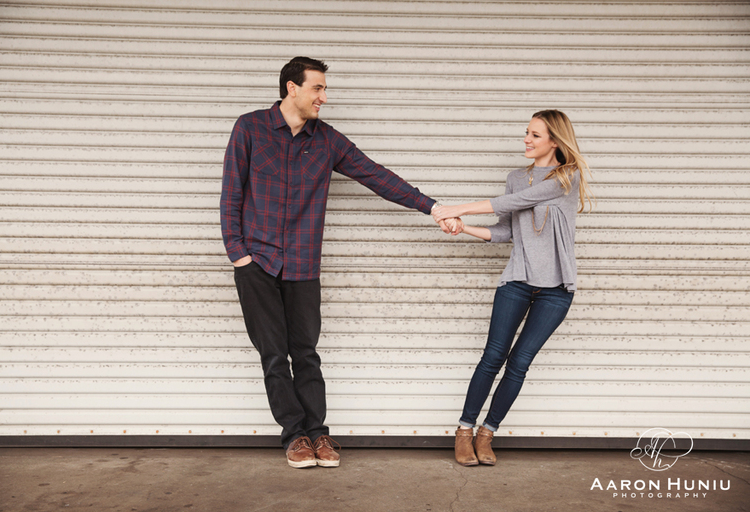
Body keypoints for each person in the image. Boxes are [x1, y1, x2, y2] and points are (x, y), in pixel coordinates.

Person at [221, 56, 447, 469]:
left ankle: (318, 434)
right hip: (257, 262)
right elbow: (231, 193)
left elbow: (377, 176)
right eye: (318, 88)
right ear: (292, 88)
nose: (324, 96)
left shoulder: (327, 140)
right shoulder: (249, 128)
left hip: (303, 263)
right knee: (273, 354)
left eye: (324, 89)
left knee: (305, 351)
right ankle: (294, 436)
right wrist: (239, 255)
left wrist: (431, 207)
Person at [431, 110, 593, 466]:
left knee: (519, 363)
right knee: (493, 357)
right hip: (517, 281)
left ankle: (488, 433)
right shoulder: (515, 178)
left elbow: (513, 203)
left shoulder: (567, 177)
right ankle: (464, 431)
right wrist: (462, 227)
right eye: (527, 133)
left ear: (554, 140)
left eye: (535, 135)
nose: (526, 140)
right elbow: (505, 229)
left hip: (556, 290)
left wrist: (454, 208)